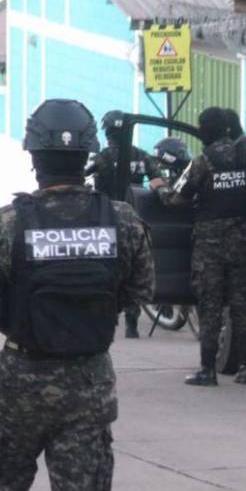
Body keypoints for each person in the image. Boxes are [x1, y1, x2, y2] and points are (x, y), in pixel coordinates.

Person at [0, 99, 155, 491]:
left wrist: (23, 315)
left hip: (21, 384)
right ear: (86, 156)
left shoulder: (7, 223)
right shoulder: (120, 218)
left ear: (33, 157)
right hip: (89, 382)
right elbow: (140, 290)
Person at [152, 106, 246, 386]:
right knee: (243, 305)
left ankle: (208, 369)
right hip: (243, 241)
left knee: (210, 305)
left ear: (206, 131)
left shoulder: (202, 163)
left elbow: (176, 200)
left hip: (210, 245)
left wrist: (158, 186)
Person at [85, 110, 155, 338]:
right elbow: (158, 181)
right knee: (133, 267)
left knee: (103, 266)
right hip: (133, 219)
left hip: (105, 219)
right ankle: (132, 323)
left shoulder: (103, 157)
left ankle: (104, 315)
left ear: (107, 132)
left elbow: (83, 175)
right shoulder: (142, 156)